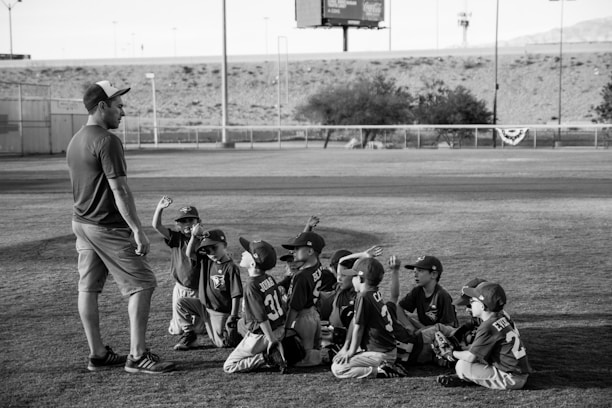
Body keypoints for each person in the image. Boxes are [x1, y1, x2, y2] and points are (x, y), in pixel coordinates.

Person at [66, 80, 174, 374]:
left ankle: (98, 354)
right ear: (102, 106)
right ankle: (137, 356)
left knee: (88, 288)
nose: (123, 112)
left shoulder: (75, 140)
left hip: (81, 222)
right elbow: (120, 190)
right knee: (143, 283)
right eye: (119, 105)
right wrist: (137, 229)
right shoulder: (106, 140)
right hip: (106, 226)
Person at [437, 282, 532, 390]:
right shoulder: (499, 319)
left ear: (482, 306)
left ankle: (466, 379)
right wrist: (460, 349)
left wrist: (451, 353)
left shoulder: (487, 326)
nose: (470, 304)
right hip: (518, 372)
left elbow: (471, 357)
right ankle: (471, 378)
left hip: (513, 378)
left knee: (462, 366)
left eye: (472, 301)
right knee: (474, 357)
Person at [331, 258, 406, 379]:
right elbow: (394, 297)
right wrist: (346, 348)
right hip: (387, 351)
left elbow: (359, 328)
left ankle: (381, 370)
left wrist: (351, 351)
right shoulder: (375, 293)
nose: (352, 280)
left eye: (353, 276)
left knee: (338, 368)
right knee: (337, 357)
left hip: (381, 355)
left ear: (360, 278)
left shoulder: (363, 296)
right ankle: (383, 365)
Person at [223, 237, 287, 374]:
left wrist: (271, 340)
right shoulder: (269, 278)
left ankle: (267, 357)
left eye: (247, 252)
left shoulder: (251, 285)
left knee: (229, 366)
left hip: (264, 334)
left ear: (252, 263)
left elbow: (261, 317)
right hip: (279, 328)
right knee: (241, 323)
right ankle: (274, 348)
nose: (242, 253)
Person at [175, 227, 243, 349]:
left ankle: (242, 332)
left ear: (225, 245)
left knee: (222, 344)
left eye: (214, 248)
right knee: (181, 303)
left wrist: (233, 316)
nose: (211, 253)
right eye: (207, 250)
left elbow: (236, 294)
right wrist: (194, 237)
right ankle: (189, 334)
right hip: (203, 307)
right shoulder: (207, 260)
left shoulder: (231, 267)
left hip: (220, 313)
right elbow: (189, 253)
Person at [388, 255, 458, 364]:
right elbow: (399, 308)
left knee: (411, 341)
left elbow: (448, 328)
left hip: (440, 336)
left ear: (434, 274)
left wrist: (421, 331)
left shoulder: (441, 295)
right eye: (414, 271)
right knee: (396, 317)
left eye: (420, 271)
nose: (415, 274)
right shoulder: (418, 291)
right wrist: (409, 326)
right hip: (424, 331)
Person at [151, 196, 205, 336]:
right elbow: (157, 226)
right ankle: (177, 322)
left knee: (199, 330)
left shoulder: (205, 240)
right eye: (183, 221)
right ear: (178, 225)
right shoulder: (176, 238)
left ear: (198, 222)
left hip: (199, 289)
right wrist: (160, 208)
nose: (187, 224)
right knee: (178, 330)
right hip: (181, 287)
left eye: (191, 220)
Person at [281, 231, 326, 366]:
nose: (293, 252)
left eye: (297, 248)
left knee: (303, 359)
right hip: (314, 315)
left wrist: (287, 328)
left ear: (310, 251)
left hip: (303, 318)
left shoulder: (301, 276)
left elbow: (294, 307)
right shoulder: (317, 265)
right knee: (313, 349)